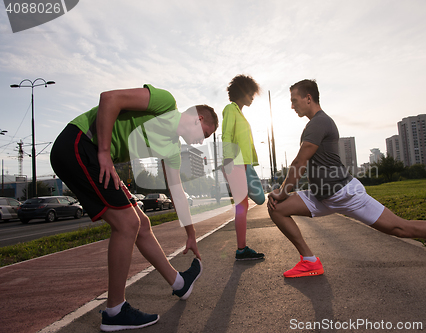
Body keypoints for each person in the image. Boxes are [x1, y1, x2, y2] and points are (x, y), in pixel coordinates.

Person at [267, 79, 426, 278]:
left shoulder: (319, 123)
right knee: (277, 207)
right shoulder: (314, 124)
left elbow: (299, 163)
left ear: (308, 98)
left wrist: (283, 191)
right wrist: (283, 195)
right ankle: (309, 262)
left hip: (344, 194)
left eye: (294, 100)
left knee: (401, 229)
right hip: (322, 196)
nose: (292, 105)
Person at [50, 84, 218, 331]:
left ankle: (179, 283)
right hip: (79, 142)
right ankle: (115, 311)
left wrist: (191, 234)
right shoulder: (165, 103)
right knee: (128, 223)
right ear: (198, 118)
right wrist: (105, 153)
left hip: (95, 153)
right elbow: (110, 98)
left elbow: (177, 191)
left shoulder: (172, 149)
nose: (202, 140)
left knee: (142, 224)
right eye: (205, 134)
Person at [222, 75, 266, 260]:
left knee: (260, 198)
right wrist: (227, 162)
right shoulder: (230, 109)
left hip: (245, 164)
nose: (253, 97)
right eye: (250, 93)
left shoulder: (240, 112)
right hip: (236, 163)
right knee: (242, 204)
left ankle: (242, 249)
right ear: (242, 92)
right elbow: (226, 136)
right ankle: (241, 249)